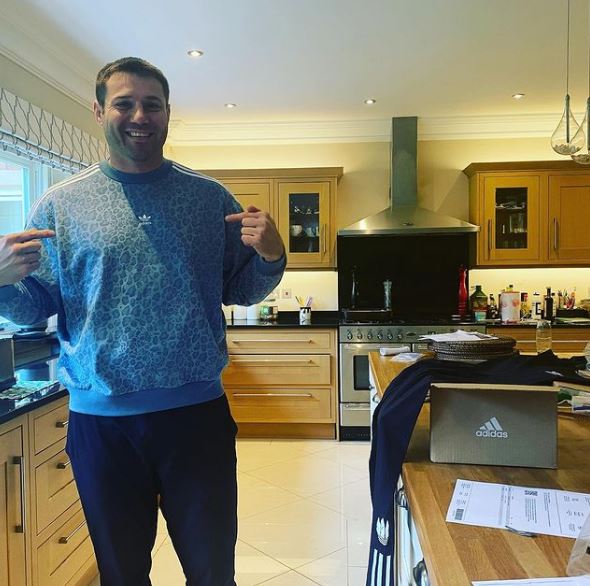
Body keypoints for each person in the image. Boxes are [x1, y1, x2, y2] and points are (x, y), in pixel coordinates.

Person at [0, 57, 286, 586]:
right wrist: (0, 280)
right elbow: (32, 307)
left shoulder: (207, 199)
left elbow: (239, 289)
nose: (139, 115)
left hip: (196, 417)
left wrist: (271, 255)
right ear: (99, 110)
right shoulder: (60, 206)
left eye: (151, 104)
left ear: (167, 113)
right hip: (101, 424)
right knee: (122, 574)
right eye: (124, 103)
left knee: (212, 571)